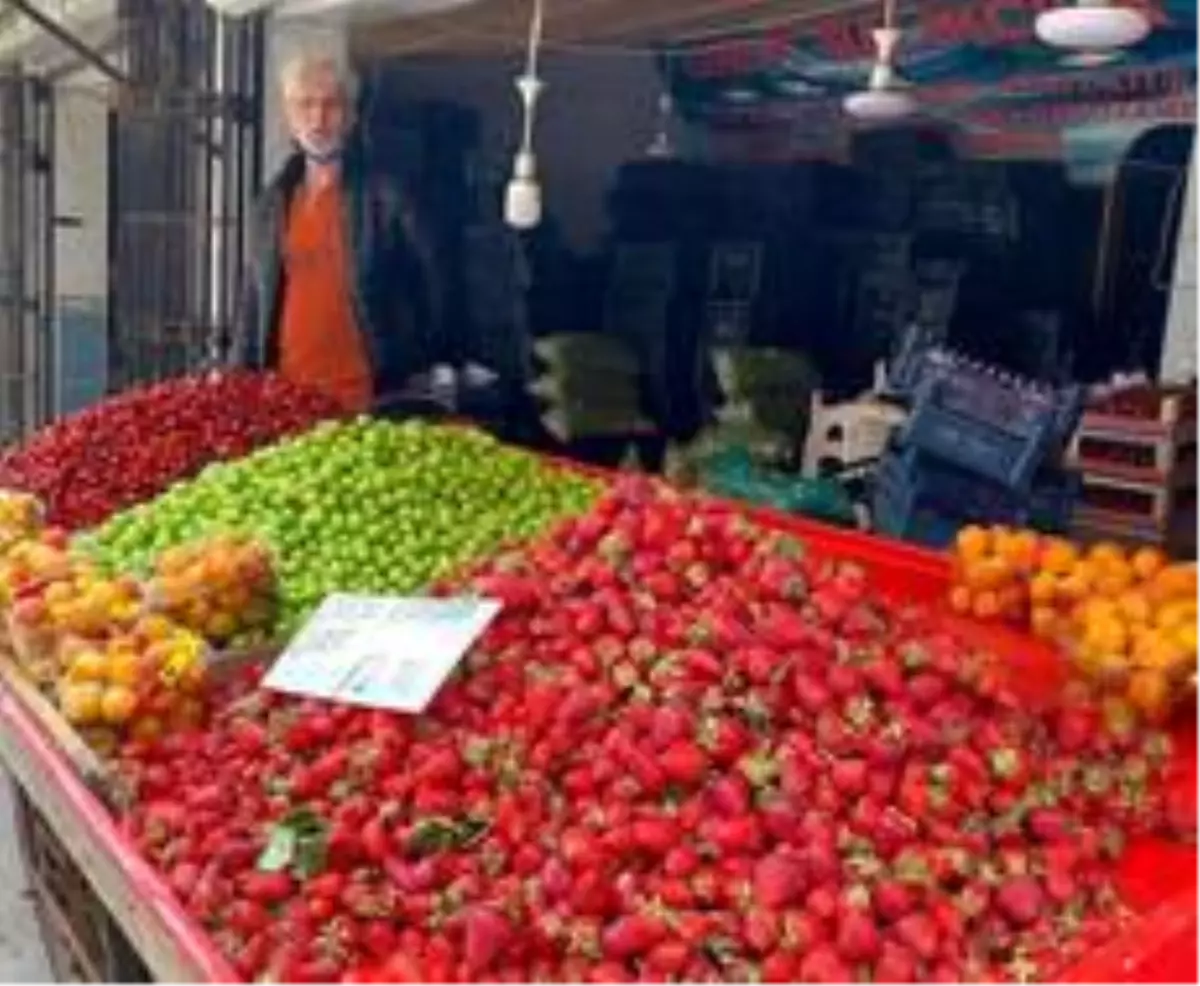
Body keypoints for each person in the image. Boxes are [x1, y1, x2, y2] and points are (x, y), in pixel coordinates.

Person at [231, 52, 441, 413]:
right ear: (289, 116)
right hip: (286, 398)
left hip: (368, 399)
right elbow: (252, 303)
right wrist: (237, 380)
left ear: (352, 116)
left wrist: (418, 367)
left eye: (331, 105)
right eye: (305, 105)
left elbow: (431, 289)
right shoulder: (270, 204)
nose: (318, 119)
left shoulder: (388, 198)